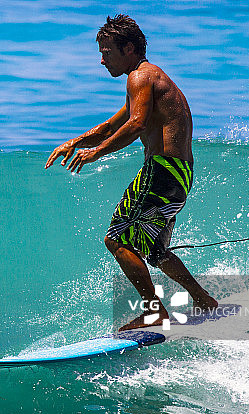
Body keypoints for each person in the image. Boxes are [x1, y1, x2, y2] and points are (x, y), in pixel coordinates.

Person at [45, 14, 218, 330]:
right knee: (154, 251)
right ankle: (203, 299)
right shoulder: (150, 79)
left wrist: (96, 153)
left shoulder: (140, 77)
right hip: (180, 175)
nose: (101, 60)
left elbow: (136, 124)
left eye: (107, 51)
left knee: (116, 240)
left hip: (161, 171)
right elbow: (113, 125)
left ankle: (154, 312)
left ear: (128, 48)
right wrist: (75, 142)